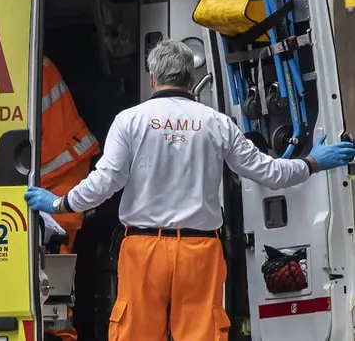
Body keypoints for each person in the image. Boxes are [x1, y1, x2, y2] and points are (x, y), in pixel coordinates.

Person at [25, 40, 355, 341]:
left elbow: (104, 183)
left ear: (152, 77)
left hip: (143, 250)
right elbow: (269, 173)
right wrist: (313, 161)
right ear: (190, 77)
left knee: (134, 334)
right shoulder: (217, 123)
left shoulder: (130, 121)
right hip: (200, 252)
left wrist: (59, 202)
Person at [40, 55, 100, 254]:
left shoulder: (20, 61)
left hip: (60, 165)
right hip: (64, 159)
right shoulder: (33, 60)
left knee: (54, 252)